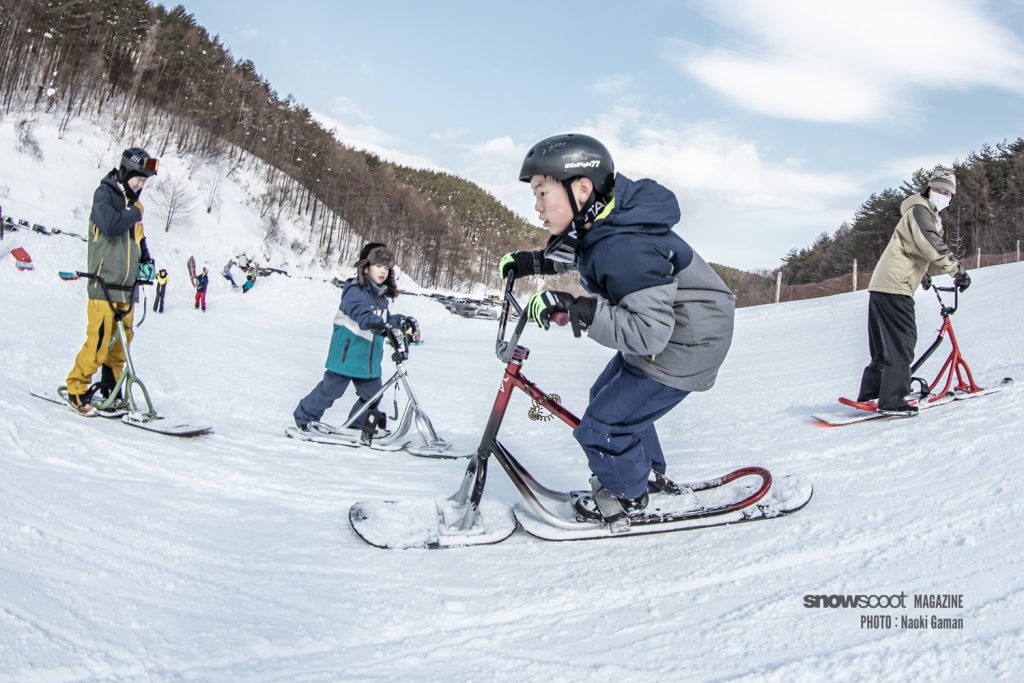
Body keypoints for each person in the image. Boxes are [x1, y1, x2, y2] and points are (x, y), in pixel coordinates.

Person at [499, 133, 735, 524]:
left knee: (603, 426)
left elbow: (648, 334)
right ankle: (648, 477)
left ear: (582, 188)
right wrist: (534, 263)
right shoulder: (604, 220)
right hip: (674, 331)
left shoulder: (626, 244)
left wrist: (578, 309)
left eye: (543, 193)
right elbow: (586, 252)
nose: (536, 207)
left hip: (686, 342)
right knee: (605, 399)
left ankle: (631, 498)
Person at [856, 171, 969, 417]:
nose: (944, 196)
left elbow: (911, 247)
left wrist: (923, 274)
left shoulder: (919, 211)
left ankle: (873, 392)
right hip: (895, 285)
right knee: (902, 343)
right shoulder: (921, 210)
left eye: (948, 194)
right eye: (940, 191)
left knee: (883, 346)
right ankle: (892, 400)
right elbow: (929, 242)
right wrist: (956, 269)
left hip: (885, 284)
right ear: (929, 190)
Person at [65, 147, 158, 414]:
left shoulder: (133, 208)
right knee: (98, 341)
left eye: (144, 182)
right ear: (126, 172)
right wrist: (135, 213)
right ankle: (76, 388)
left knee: (120, 345)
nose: (141, 185)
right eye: (138, 179)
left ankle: (111, 387)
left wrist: (147, 261)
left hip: (126, 289)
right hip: (103, 283)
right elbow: (110, 224)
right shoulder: (105, 195)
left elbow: (138, 238)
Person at [293, 242, 418, 439]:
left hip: (368, 360)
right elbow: (364, 316)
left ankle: (356, 425)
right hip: (347, 355)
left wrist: (399, 321)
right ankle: (304, 418)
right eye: (378, 266)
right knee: (330, 390)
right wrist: (382, 326)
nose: (383, 271)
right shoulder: (354, 292)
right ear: (366, 267)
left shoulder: (381, 297)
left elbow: (383, 318)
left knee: (373, 395)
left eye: (386, 268)